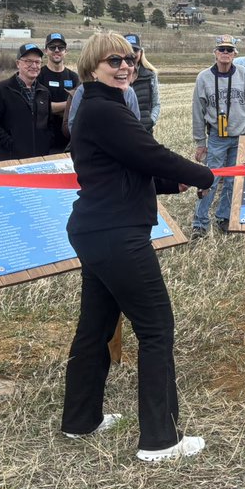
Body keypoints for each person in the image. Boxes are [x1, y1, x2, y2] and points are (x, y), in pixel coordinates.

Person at [61, 32, 215, 461]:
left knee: (95, 328)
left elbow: (127, 166)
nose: (125, 66)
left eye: (130, 59)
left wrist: (172, 182)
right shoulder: (103, 109)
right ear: (93, 67)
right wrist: (203, 175)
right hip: (117, 234)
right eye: (115, 60)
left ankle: (80, 419)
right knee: (156, 328)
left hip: (99, 230)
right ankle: (160, 439)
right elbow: (150, 152)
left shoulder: (98, 108)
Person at [190, 35, 245, 237]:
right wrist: (200, 143)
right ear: (215, 52)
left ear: (235, 54)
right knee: (209, 179)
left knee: (233, 181)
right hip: (216, 138)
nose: (225, 53)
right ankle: (200, 223)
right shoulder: (203, 77)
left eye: (229, 50)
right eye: (221, 49)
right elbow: (197, 112)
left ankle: (223, 218)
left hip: (240, 138)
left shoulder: (244, 74)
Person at [0, 42, 55, 162]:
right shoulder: (1, 90)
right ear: (18, 63)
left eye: (37, 62)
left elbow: (49, 123)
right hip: (10, 159)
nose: (34, 65)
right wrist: (11, 144)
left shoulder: (44, 92)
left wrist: (45, 142)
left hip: (40, 158)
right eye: (28, 61)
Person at [39, 33, 80, 151]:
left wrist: (55, 107)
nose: (57, 50)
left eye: (60, 47)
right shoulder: (39, 76)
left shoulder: (73, 77)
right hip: (45, 139)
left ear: (65, 51)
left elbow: (79, 107)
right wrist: (68, 105)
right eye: (52, 47)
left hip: (68, 140)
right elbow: (41, 108)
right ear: (46, 51)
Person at [126, 33, 161, 135]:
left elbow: (156, 104)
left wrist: (151, 121)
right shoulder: (115, 76)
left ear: (141, 52)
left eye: (135, 50)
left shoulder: (150, 75)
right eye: (128, 50)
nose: (132, 54)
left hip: (145, 133)